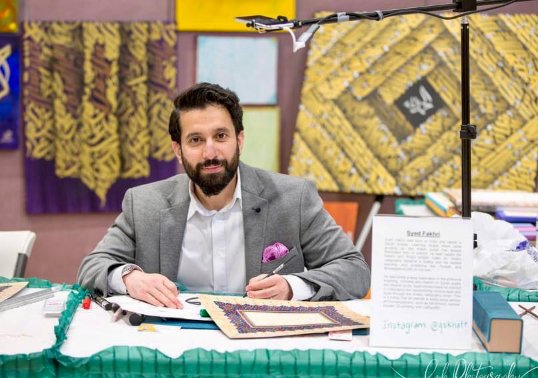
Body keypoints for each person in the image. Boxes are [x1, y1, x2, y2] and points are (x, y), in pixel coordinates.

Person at [78, 82, 370, 308]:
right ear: (178, 150)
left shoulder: (294, 198)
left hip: (263, 350)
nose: (210, 152)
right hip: (172, 349)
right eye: (196, 140)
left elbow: (354, 270)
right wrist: (130, 278)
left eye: (220, 136)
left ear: (239, 140)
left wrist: (292, 287)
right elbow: (92, 267)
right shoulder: (144, 203)